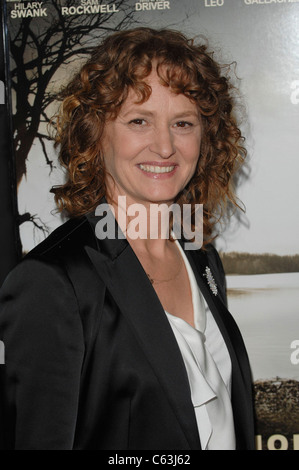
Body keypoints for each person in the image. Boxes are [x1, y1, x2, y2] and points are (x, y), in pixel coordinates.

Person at [0, 28, 255, 450]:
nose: (165, 146)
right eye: (139, 120)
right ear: (95, 133)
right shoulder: (53, 283)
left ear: (205, 139)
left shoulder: (200, 257)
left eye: (183, 123)